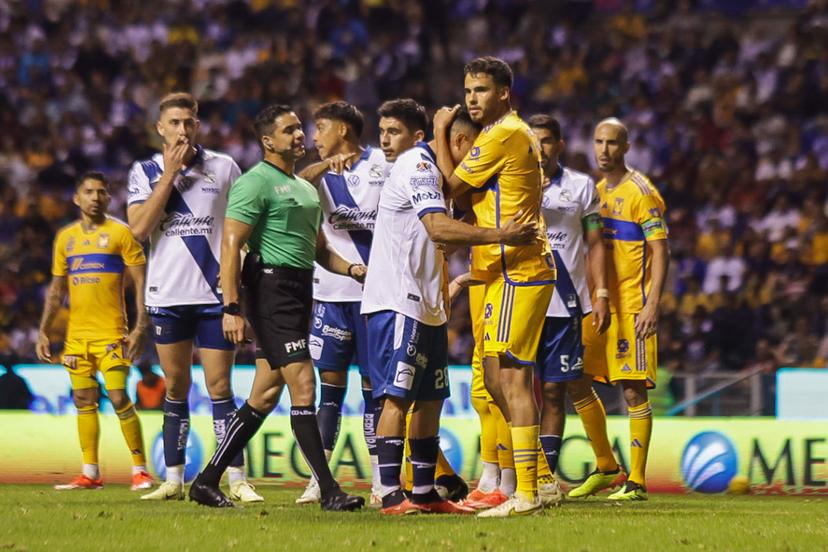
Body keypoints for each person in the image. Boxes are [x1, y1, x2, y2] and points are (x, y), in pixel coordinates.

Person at [187, 104, 365, 511]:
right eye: (289, 130)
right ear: (268, 141)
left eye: (300, 128)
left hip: (300, 290)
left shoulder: (303, 187)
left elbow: (319, 249)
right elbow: (230, 245)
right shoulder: (255, 184)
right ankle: (329, 491)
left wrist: (353, 268)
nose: (299, 135)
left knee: (264, 395)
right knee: (304, 385)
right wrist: (230, 306)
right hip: (270, 291)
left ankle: (207, 480)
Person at [363, 99, 536, 515]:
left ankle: (423, 493)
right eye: (473, 149)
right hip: (397, 301)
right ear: (457, 141)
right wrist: (501, 235)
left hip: (427, 304)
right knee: (397, 398)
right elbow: (438, 227)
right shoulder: (416, 165)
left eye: (393, 131)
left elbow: (445, 228)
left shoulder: (431, 172)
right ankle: (389, 492)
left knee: (429, 397)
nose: (476, 161)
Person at [433, 56, 555, 517]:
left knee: (512, 379)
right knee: (494, 380)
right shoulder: (502, 135)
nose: (470, 99)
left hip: (519, 269)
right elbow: (468, 195)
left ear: (504, 92)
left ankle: (526, 491)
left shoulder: (504, 133)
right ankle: (536, 480)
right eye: (467, 91)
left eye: (480, 90)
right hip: (505, 270)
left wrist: (443, 131)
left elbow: (449, 186)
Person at [127, 92, 260, 502]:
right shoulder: (145, 171)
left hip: (214, 295)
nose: (183, 130)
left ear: (197, 124)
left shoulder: (223, 167)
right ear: (160, 128)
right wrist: (169, 175)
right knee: (176, 385)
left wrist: (237, 284)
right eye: (175, 123)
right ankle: (173, 479)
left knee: (220, 387)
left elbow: (244, 225)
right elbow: (137, 229)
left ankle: (235, 477)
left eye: (189, 122)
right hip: (168, 293)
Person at [292, 101, 390, 506]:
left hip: (376, 295)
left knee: (374, 391)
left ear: (344, 131)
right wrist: (322, 167)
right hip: (331, 295)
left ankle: (380, 482)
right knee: (328, 391)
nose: (313, 137)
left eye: (321, 128)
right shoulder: (316, 176)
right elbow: (296, 185)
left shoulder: (383, 164)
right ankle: (320, 480)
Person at [567, 118, 669, 501]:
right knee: (576, 379)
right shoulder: (593, 192)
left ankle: (637, 482)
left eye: (612, 143)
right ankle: (606, 465)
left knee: (631, 391)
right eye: (598, 142)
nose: (604, 150)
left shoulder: (642, 192)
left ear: (625, 148)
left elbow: (661, 250)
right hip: (599, 305)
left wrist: (652, 303)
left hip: (632, 306)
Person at [36, 171, 153, 491]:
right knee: (83, 399)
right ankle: (90, 472)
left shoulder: (121, 233)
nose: (95, 197)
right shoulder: (66, 238)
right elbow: (57, 289)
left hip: (112, 333)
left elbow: (141, 283)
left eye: (101, 192)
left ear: (109, 197)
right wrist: (44, 331)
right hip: (76, 337)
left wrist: (141, 326)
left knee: (118, 397)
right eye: (88, 192)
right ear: (77, 198)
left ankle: (140, 470)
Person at [527, 114, 610, 501]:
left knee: (555, 392)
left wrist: (602, 293)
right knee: (512, 389)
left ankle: (545, 480)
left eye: (545, 141)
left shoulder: (581, 186)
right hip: (522, 301)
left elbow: (595, 244)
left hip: (567, 304)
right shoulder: (512, 182)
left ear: (558, 145)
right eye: (533, 141)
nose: (539, 149)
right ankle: (515, 476)